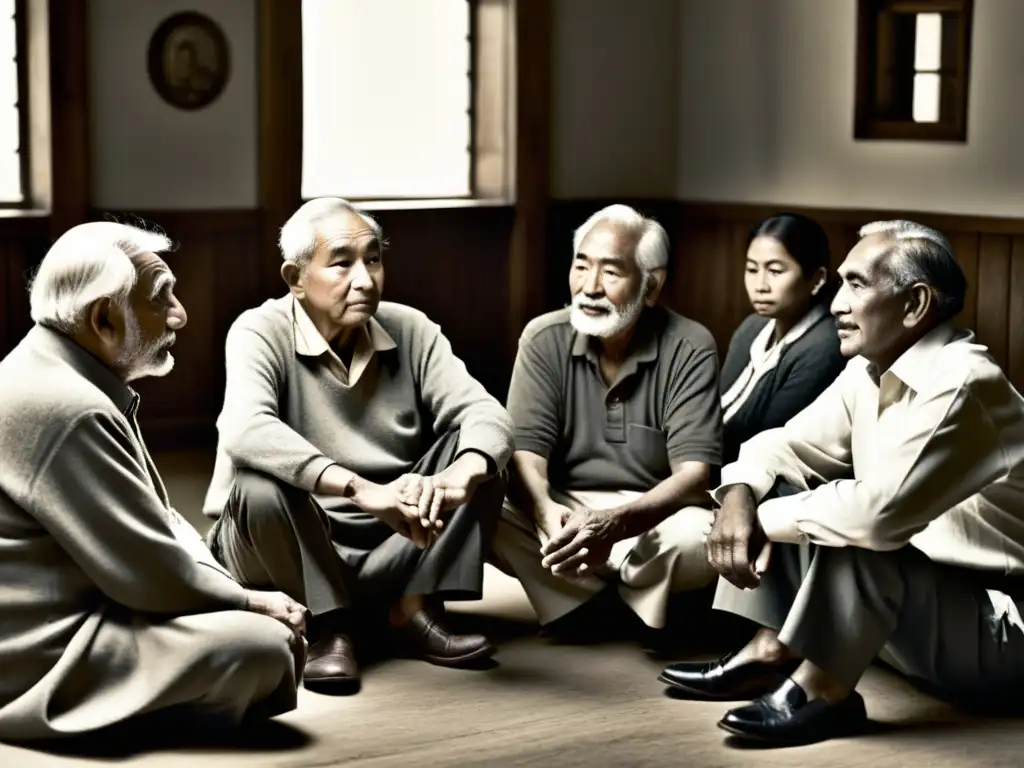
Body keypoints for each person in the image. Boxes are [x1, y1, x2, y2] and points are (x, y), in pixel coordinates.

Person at [660, 220, 1024, 746]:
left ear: (915, 304)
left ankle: (825, 690)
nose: (834, 304)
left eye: (857, 284)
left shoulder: (965, 383)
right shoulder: (870, 370)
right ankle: (773, 650)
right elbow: (782, 445)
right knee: (784, 487)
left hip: (1004, 631)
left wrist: (757, 522)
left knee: (861, 524)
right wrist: (740, 497)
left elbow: (878, 515)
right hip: (932, 609)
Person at [0, 222, 303, 742]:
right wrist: (251, 602)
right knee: (264, 646)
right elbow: (148, 572)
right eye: (162, 298)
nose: (180, 314)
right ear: (104, 318)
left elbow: (154, 527)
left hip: (79, 606)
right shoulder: (70, 406)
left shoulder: (51, 367)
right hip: (37, 653)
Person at [203, 197, 514, 693]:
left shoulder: (410, 327)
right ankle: (328, 625)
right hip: (277, 544)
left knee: (481, 453)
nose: (365, 278)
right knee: (260, 478)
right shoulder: (258, 330)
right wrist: (359, 488)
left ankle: (412, 607)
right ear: (295, 277)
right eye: (342, 263)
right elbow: (246, 428)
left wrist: (458, 479)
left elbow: (487, 415)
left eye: (373, 259)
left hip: (394, 537)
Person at [491, 204, 722, 636]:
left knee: (695, 540)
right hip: (565, 508)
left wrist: (613, 526)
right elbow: (525, 456)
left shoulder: (690, 345)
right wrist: (547, 517)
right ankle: (595, 605)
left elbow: (694, 477)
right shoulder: (543, 338)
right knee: (482, 503)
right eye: (581, 266)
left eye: (611, 273)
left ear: (651, 286)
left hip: (653, 515)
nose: (590, 287)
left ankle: (609, 600)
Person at [719, 213, 846, 465]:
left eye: (775, 271)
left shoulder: (825, 347)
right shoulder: (752, 326)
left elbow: (767, 442)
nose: (760, 284)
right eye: (752, 269)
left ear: (817, 279)